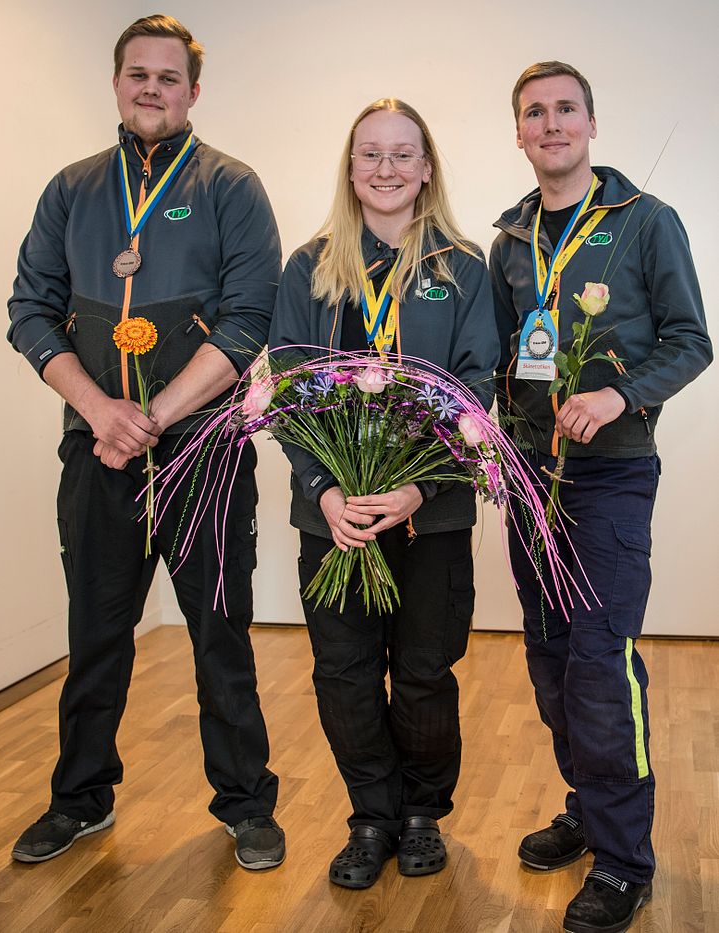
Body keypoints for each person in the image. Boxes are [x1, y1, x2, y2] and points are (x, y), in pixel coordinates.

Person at [7, 14, 285, 871]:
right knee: (96, 630)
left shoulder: (234, 186)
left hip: (202, 452)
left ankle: (245, 804)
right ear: (118, 83)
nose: (152, 89)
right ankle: (79, 799)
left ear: (194, 91)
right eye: (138, 75)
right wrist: (101, 411)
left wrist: (151, 417)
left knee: (219, 629)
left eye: (169, 77)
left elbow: (249, 323)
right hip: (98, 453)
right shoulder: (72, 188)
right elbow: (28, 312)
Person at [490, 61, 712, 932]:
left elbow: (693, 340)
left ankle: (624, 861)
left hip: (610, 476)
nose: (551, 124)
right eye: (534, 112)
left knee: (599, 663)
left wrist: (621, 394)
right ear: (518, 132)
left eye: (565, 109)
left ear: (591, 122)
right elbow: (502, 354)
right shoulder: (507, 240)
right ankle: (588, 806)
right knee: (549, 658)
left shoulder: (647, 223)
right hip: (527, 477)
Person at [268, 98, 499, 888]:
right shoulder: (311, 267)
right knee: (344, 669)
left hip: (428, 513)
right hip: (333, 517)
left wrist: (416, 489)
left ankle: (421, 814)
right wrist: (324, 489)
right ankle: (370, 814)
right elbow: (290, 389)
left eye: (404, 154)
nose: (388, 169)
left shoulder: (463, 267)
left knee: (427, 667)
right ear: (351, 167)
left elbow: (473, 389)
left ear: (427, 167)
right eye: (372, 155)